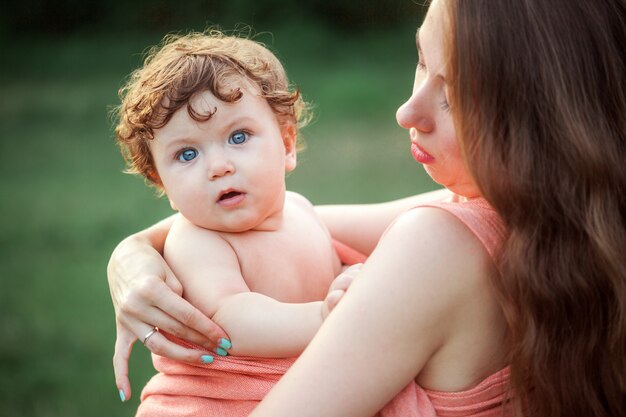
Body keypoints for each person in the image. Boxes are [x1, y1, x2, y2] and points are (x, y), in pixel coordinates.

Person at [108, 0, 626, 416]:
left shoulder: (440, 246)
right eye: (422, 60)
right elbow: (257, 241)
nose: (407, 111)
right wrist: (133, 253)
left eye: (457, 93)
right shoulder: (567, 212)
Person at [111, 30, 368, 415]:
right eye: (186, 154)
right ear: (161, 183)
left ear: (286, 145)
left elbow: (333, 271)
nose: (219, 166)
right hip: (224, 403)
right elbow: (234, 320)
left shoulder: (302, 211)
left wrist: (353, 279)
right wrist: (328, 316)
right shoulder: (196, 240)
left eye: (238, 136)